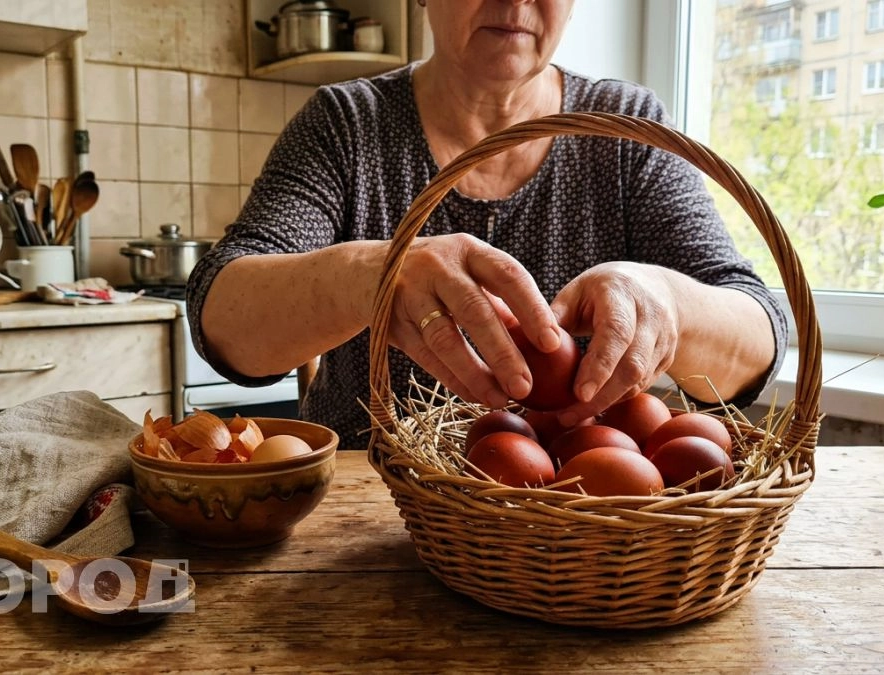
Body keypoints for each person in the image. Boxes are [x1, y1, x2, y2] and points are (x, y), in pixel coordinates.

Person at [187, 0, 787, 450]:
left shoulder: (623, 130)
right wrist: (369, 277)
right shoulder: (348, 125)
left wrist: (671, 303)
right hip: (367, 509)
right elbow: (222, 319)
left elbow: (758, 339)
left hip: (583, 523)